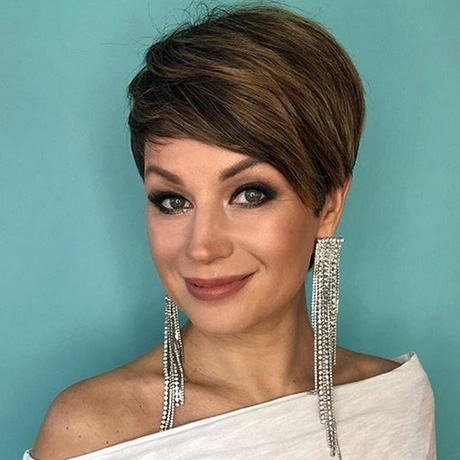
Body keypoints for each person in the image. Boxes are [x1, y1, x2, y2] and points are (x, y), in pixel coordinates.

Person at [24, 2, 436, 459]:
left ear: (328, 206)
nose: (202, 247)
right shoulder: (89, 432)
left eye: (249, 195)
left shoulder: (396, 401)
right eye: (173, 201)